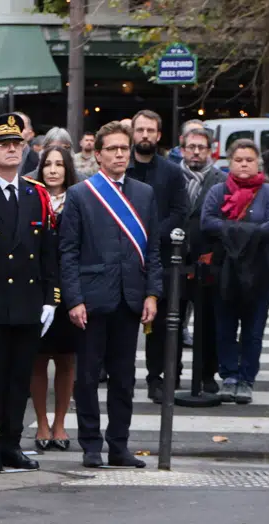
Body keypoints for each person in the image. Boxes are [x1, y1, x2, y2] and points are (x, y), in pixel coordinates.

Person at [61, 120, 163, 468]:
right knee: (87, 377)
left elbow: (154, 251)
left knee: (124, 379)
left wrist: (152, 294)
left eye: (124, 148)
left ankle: (119, 445)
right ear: (99, 154)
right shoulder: (81, 194)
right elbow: (69, 251)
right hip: (92, 299)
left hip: (130, 298)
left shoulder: (144, 194)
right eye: (113, 149)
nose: (120, 154)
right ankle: (91, 445)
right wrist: (73, 299)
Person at [0, 113, 58, 473]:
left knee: (20, 378)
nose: (12, 150)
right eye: (3, 145)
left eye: (17, 144)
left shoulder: (35, 193)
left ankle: (11, 443)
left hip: (26, 302)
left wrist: (50, 298)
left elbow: (48, 250)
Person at [201, 139, 269, 405]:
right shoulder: (217, 190)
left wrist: (234, 229)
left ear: (257, 162)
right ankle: (229, 376)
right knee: (225, 327)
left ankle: (247, 379)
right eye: (239, 160)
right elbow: (207, 222)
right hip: (225, 269)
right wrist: (249, 231)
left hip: (259, 270)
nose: (244, 164)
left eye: (249, 159)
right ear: (230, 162)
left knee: (253, 329)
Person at [128, 110, 188, 403]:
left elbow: (180, 212)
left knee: (160, 326)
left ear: (159, 134)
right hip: (125, 258)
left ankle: (158, 378)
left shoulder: (172, 172)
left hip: (161, 259)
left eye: (150, 130)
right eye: (140, 130)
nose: (145, 135)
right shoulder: (122, 168)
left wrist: (150, 235)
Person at [29, 143, 78, 452]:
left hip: (71, 288)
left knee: (66, 360)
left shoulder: (78, 199)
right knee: (37, 360)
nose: (53, 170)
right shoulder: (33, 198)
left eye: (59, 164)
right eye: (48, 164)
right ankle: (41, 424)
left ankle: (60, 424)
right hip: (38, 290)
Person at [178, 126, 227, 396]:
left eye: (201, 147)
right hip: (177, 260)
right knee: (173, 321)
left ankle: (207, 374)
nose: (196, 152)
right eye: (191, 147)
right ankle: (170, 373)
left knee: (208, 322)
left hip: (209, 260)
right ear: (183, 149)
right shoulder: (173, 177)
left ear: (210, 151)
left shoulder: (221, 180)